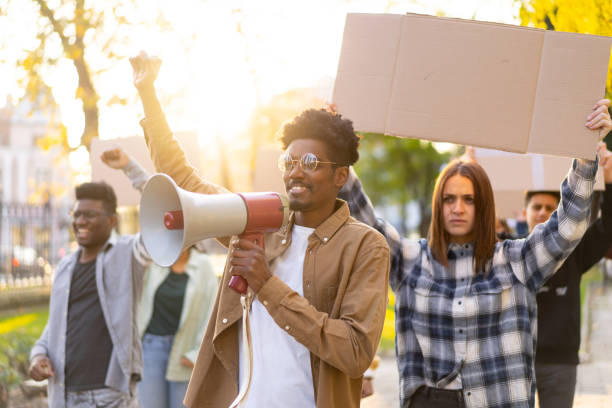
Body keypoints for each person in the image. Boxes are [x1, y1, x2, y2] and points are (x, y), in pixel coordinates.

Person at [130, 51, 390, 408]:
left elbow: (355, 351)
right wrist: (148, 96)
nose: (295, 172)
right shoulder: (256, 221)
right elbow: (184, 179)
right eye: (290, 161)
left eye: (311, 163)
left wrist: (266, 284)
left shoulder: (365, 246)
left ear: (340, 176)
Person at [339, 99, 611, 408]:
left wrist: (586, 152)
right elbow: (364, 220)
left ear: (483, 207)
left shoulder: (517, 261)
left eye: (468, 199)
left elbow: (569, 226)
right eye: (448, 199)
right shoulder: (409, 260)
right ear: (437, 205)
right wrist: (335, 147)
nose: (457, 208)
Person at [101, 147, 220, 408]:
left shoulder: (203, 269)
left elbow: (214, 313)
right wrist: (129, 165)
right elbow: (156, 198)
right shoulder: (154, 262)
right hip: (151, 350)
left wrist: (195, 353)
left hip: (185, 353)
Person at [29, 181, 150, 407]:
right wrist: (37, 355)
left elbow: (161, 222)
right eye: (77, 214)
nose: (80, 221)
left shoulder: (127, 255)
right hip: (64, 395)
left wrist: (130, 169)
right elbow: (54, 327)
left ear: (112, 220)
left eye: (90, 215)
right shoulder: (65, 267)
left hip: (109, 396)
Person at [521, 143, 612, 408]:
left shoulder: (576, 253)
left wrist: (608, 176)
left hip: (560, 362)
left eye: (549, 207)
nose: (541, 212)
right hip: (518, 359)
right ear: (524, 212)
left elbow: (607, 228)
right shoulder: (512, 253)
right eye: (535, 206)